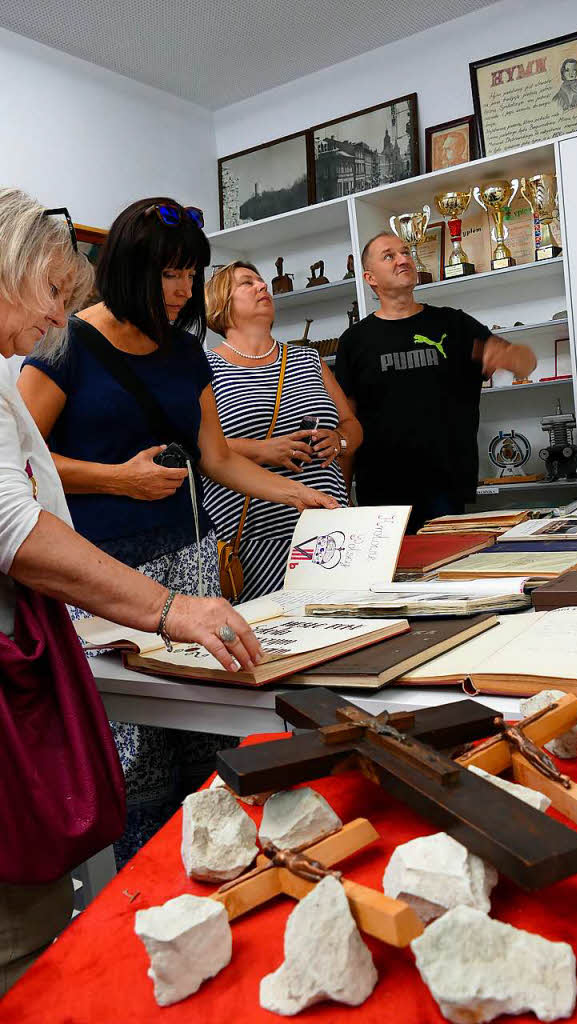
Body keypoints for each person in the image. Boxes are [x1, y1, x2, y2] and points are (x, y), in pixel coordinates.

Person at [18, 197, 338, 862]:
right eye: (169, 274)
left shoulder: (186, 352)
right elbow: (23, 469)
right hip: (103, 577)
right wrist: (117, 479)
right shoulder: (64, 342)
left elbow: (215, 457)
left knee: (209, 742)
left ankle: (217, 867)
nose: (182, 290)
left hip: (191, 564)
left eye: (191, 274)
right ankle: (141, 883)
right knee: (134, 759)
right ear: (129, 269)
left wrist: (300, 496)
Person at [0, 188, 264, 994]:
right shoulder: (59, 355)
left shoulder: (171, 355)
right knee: (100, 800)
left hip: (125, 578)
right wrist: (168, 608)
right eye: (50, 294)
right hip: (92, 589)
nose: (55, 318)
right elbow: (14, 522)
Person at [334, 232, 537, 532]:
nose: (403, 259)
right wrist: (342, 496)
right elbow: (346, 421)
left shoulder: (453, 324)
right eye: (389, 256)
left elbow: (526, 363)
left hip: (446, 487)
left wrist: (509, 355)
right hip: (381, 491)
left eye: (405, 252)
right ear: (370, 278)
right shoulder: (354, 341)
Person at [204, 261, 362, 597]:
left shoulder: (308, 359)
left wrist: (339, 440)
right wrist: (262, 450)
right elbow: (194, 446)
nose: (263, 287)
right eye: (247, 283)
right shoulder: (204, 369)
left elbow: (352, 425)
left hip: (327, 528)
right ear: (220, 304)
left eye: (262, 281)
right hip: (250, 537)